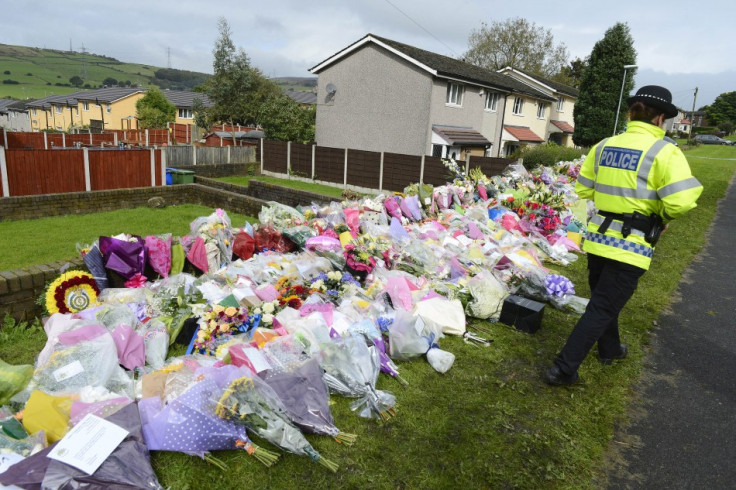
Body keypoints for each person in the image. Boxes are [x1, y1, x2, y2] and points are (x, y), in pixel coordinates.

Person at [545, 85, 703, 386]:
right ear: (660, 119)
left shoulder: (604, 145)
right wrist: (663, 217)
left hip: (599, 238)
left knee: (604, 299)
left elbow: (584, 189)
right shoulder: (665, 152)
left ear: (633, 113)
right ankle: (563, 369)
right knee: (603, 305)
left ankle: (610, 349)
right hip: (630, 244)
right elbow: (681, 200)